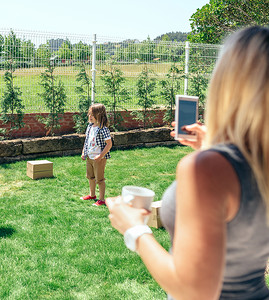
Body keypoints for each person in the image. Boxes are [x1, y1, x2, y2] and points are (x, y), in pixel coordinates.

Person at [106, 26, 269, 299]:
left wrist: (134, 228)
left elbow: (194, 291)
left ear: (226, 83)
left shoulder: (205, 168)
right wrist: (215, 146)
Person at [80, 103, 113, 206]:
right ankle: (92, 195)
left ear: (99, 115)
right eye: (89, 114)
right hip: (90, 156)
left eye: (92, 114)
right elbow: (87, 141)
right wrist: (83, 152)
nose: (90, 116)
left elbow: (109, 144)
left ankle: (102, 199)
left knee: (100, 179)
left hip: (99, 159)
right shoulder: (90, 127)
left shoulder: (104, 129)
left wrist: (101, 156)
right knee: (90, 177)